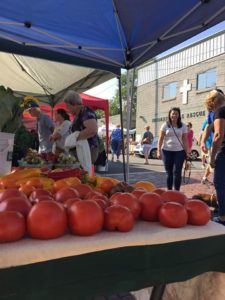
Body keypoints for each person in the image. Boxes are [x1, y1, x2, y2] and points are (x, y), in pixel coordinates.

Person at [204, 90, 225, 225]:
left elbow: (218, 135)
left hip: (224, 152)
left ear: (213, 102)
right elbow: (209, 127)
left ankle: (223, 217)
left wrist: (212, 158)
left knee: (219, 183)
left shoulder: (220, 111)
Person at [157, 107, 189, 191]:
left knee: (177, 172)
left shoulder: (183, 126)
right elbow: (160, 139)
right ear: (170, 115)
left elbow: (185, 140)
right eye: (173, 113)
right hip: (166, 151)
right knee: (169, 172)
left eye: (176, 114)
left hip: (179, 152)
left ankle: (177, 191)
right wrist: (158, 151)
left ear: (179, 115)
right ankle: (169, 191)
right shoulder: (165, 125)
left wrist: (187, 152)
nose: (174, 115)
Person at [63, 90, 99, 164]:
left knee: (84, 173)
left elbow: (92, 130)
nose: (67, 109)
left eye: (68, 106)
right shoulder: (78, 114)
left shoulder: (86, 111)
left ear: (74, 104)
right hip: (80, 150)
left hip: (87, 150)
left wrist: (73, 138)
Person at [198, 118, 213, 184]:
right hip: (210, 144)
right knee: (212, 163)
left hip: (219, 144)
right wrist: (202, 142)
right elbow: (202, 131)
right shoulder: (208, 119)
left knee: (212, 163)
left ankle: (204, 178)